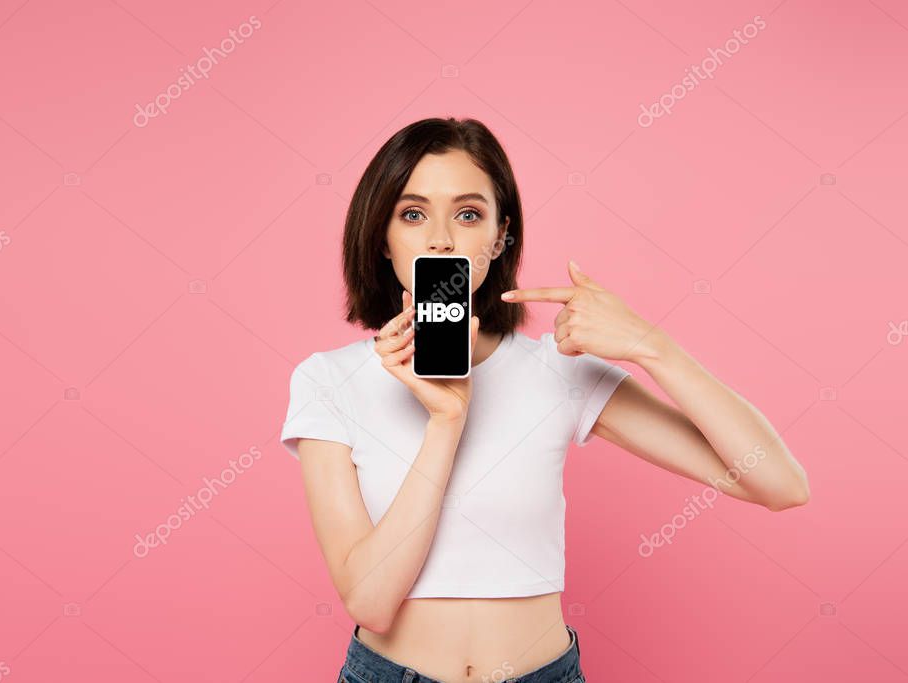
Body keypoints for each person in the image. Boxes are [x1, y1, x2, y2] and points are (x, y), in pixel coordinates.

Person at [280, 117, 810, 683]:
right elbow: (371, 603)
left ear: (500, 234)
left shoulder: (556, 370)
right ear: (382, 239)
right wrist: (446, 421)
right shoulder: (328, 381)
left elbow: (779, 484)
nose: (440, 238)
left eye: (468, 214)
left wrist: (653, 348)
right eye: (412, 214)